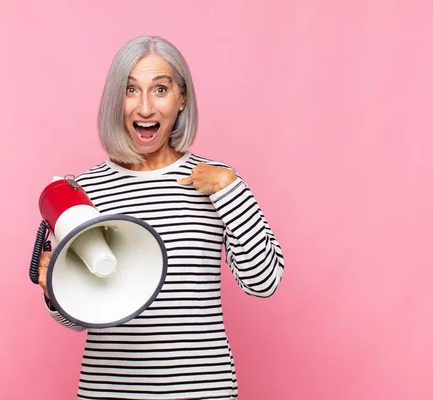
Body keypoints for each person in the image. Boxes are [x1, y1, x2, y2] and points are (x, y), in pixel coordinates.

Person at [37, 35, 285, 400]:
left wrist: (230, 190)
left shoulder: (216, 180)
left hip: (203, 389)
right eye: (131, 90)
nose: (145, 108)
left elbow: (263, 283)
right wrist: (53, 291)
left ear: (181, 98)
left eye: (160, 89)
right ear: (115, 101)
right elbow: (77, 319)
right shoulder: (82, 191)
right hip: (110, 390)